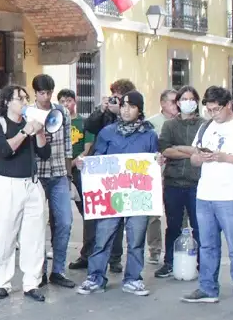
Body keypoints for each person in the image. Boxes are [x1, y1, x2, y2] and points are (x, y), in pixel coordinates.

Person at [181, 86, 233, 314]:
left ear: (228, 105)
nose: (213, 114)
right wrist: (201, 157)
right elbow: (194, 160)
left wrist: (224, 157)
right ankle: (207, 288)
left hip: (230, 195)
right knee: (207, 245)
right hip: (205, 194)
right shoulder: (205, 127)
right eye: (209, 110)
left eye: (216, 109)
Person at [76, 91, 160, 297]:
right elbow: (97, 160)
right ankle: (95, 277)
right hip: (111, 196)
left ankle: (133, 278)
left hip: (138, 197)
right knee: (103, 237)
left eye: (131, 106)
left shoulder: (149, 135)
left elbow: (153, 162)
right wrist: (84, 164)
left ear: (139, 109)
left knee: (136, 238)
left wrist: (158, 162)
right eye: (123, 105)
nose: (126, 109)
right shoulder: (107, 132)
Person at [0, 85, 51, 302]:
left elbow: (44, 153)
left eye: (26, 98)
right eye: (19, 98)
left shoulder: (30, 124)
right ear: (7, 102)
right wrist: (25, 132)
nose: (24, 102)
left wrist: (40, 131)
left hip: (31, 183)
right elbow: (4, 150)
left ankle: (32, 282)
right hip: (8, 184)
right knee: (5, 234)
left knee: (34, 235)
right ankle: (1, 282)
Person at [31, 76, 75, 289]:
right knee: (37, 225)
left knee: (64, 222)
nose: (46, 97)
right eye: (42, 93)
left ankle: (58, 270)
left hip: (58, 174)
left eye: (49, 92)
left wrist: (69, 176)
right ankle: (38, 272)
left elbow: (68, 146)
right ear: (35, 93)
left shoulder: (63, 112)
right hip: (37, 176)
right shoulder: (28, 112)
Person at [156, 86, 203, 279]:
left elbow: (202, 151)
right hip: (174, 182)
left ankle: (202, 262)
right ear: (178, 103)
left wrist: (182, 149)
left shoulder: (204, 125)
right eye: (183, 99)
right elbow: (165, 150)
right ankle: (169, 262)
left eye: (191, 99)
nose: (187, 102)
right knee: (173, 225)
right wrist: (190, 151)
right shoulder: (169, 125)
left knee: (199, 225)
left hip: (197, 183)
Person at [60, 89, 97, 268]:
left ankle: (88, 254)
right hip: (60, 172)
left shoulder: (84, 122)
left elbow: (87, 148)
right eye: (62, 101)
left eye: (68, 100)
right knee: (58, 215)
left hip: (80, 171)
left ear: (75, 101)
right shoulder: (56, 122)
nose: (66, 104)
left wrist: (72, 164)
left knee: (88, 213)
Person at [143, 89, 179, 264]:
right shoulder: (151, 124)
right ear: (163, 103)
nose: (177, 105)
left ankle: (178, 247)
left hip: (177, 173)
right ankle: (155, 249)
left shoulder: (183, 123)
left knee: (179, 213)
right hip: (156, 173)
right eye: (173, 101)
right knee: (154, 214)